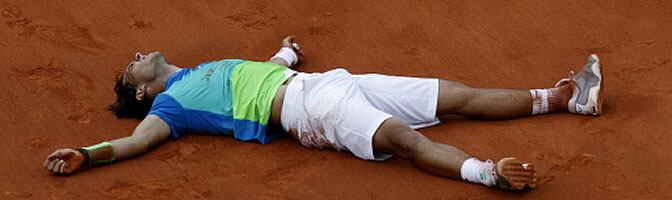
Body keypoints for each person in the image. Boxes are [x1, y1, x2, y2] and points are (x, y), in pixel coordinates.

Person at [43, 35, 603, 190]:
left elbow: (261, 70)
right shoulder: (168, 106)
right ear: (140, 93)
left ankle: (561, 98)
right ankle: (486, 173)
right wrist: (87, 154)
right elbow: (138, 144)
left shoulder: (199, 71)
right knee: (403, 138)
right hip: (309, 112)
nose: (137, 55)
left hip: (321, 82)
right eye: (130, 67)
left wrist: (286, 53)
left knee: (452, 94)